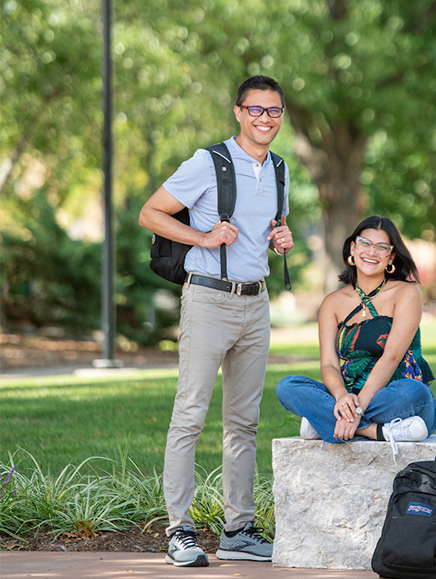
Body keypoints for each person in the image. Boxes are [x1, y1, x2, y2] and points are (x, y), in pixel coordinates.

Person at [139, 75, 293, 567]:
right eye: (256, 110)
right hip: (208, 301)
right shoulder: (209, 162)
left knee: (243, 423)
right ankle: (179, 531)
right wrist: (203, 239)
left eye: (274, 111)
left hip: (256, 303)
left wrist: (280, 241)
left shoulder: (281, 169)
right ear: (238, 112)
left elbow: (267, 230)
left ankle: (238, 530)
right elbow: (151, 213)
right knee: (190, 414)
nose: (265, 119)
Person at [277, 216, 436, 460]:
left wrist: (356, 409)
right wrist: (342, 397)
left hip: (399, 400)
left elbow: (392, 357)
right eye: (365, 243)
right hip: (347, 396)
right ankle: (377, 431)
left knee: (413, 391)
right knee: (287, 387)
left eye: (382, 247)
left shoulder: (406, 293)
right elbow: (329, 364)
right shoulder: (332, 303)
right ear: (353, 248)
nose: (372, 252)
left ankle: (327, 423)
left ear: (391, 258)